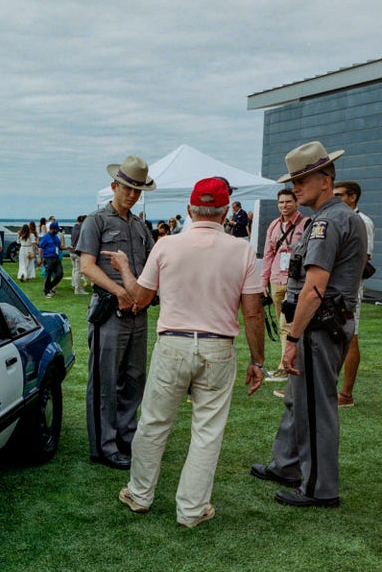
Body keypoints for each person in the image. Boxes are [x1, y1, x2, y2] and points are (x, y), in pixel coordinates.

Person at [114, 177, 266, 525]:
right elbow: (253, 311)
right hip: (217, 347)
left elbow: (140, 299)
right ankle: (192, 509)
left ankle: (139, 494)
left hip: (174, 342)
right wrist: (258, 359)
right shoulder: (241, 250)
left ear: (189, 210)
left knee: (153, 423)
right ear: (226, 211)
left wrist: (124, 268)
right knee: (207, 431)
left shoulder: (166, 245)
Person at [250, 141, 367, 508]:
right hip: (321, 326)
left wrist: (293, 336)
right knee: (296, 401)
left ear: (326, 180)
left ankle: (319, 488)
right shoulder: (330, 218)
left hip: (319, 327)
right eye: (294, 180)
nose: (296, 187)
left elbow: (315, 288)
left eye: (303, 179)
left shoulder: (329, 221)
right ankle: (286, 465)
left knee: (316, 409)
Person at [76, 155, 156, 470]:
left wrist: (143, 295)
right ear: (114, 186)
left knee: (134, 379)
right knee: (105, 381)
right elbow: (87, 266)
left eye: (138, 190)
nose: (133, 195)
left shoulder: (139, 225)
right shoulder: (96, 221)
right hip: (110, 311)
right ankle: (104, 446)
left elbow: (151, 264)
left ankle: (126, 437)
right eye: (128, 188)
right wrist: (120, 291)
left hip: (138, 312)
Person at [260, 188, 309, 381]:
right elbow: (268, 254)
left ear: (296, 202)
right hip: (275, 279)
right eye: (281, 202)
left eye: (288, 201)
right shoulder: (273, 225)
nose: (284, 205)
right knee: (283, 327)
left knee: (287, 324)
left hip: (295, 281)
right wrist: (263, 281)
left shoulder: (305, 224)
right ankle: (286, 363)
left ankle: (284, 367)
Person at [333, 181, 375, 407]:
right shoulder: (338, 219)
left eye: (339, 195)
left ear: (353, 197)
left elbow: (363, 259)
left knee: (351, 337)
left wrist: (347, 289)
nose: (335, 199)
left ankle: (346, 394)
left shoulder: (363, 222)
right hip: (334, 289)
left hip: (348, 290)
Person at [38, 220, 65, 298]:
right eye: (56, 230)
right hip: (48, 258)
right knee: (48, 274)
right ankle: (46, 291)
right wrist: (40, 258)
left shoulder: (56, 237)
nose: (57, 231)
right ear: (52, 229)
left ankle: (49, 287)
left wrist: (66, 248)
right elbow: (41, 247)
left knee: (60, 274)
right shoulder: (45, 237)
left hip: (56, 257)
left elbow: (59, 247)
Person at [70, 215, 88, 294]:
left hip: (72, 251)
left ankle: (74, 284)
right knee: (78, 271)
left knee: (74, 270)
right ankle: (78, 289)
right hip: (78, 252)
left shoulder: (74, 227)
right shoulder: (82, 228)